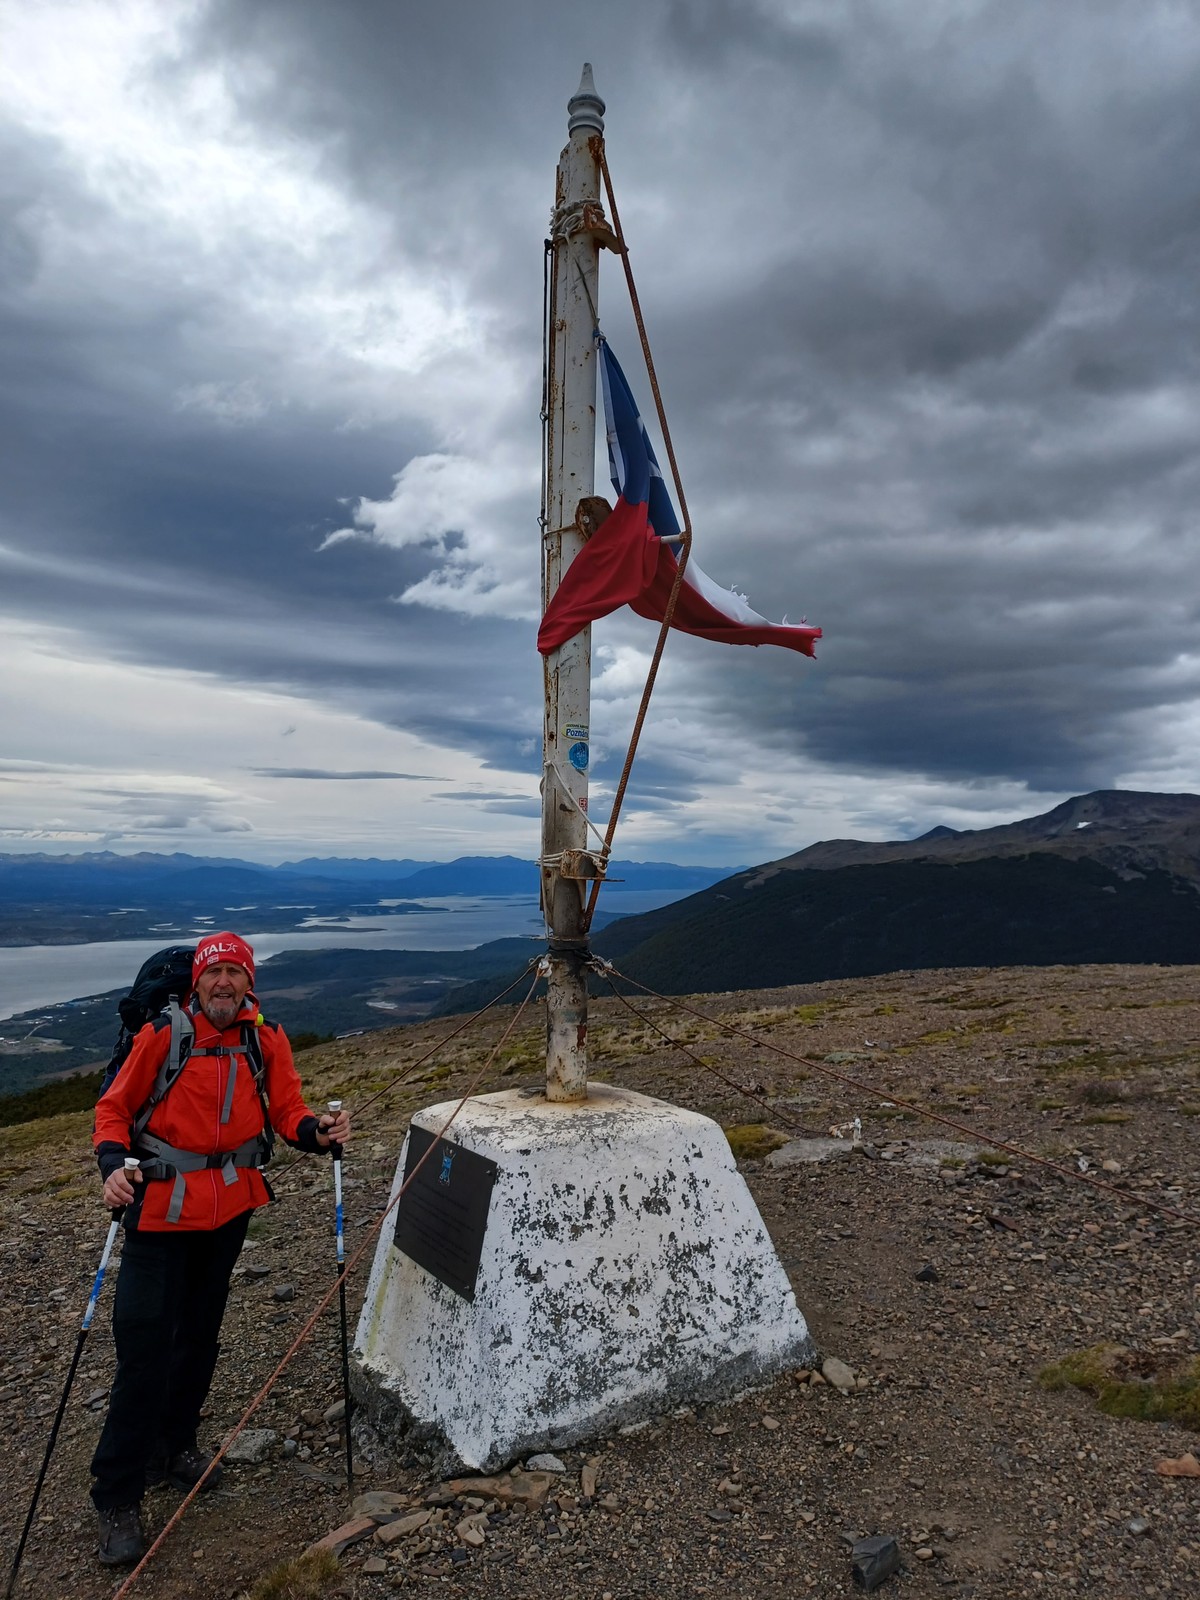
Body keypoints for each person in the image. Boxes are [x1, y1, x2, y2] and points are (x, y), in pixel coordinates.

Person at [90, 931, 350, 1567]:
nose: (225, 983)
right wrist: (110, 1166)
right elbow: (113, 1110)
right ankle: (117, 1494)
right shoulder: (163, 1035)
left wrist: (318, 1131)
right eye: (215, 973)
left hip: (229, 1211)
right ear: (197, 983)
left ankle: (174, 1447)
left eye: (236, 972)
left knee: (200, 1337)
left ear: (248, 982)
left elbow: (288, 1112)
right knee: (144, 1350)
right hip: (157, 1214)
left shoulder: (265, 1039)